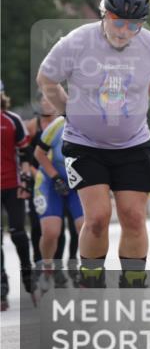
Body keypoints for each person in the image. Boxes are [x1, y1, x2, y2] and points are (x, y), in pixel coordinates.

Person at [36, 0, 150, 289]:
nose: (124, 30)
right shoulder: (77, 42)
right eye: (117, 21)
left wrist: (136, 108)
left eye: (133, 25)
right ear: (104, 15)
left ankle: (134, 284)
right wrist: (68, 110)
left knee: (134, 218)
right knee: (96, 218)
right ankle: (92, 281)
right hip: (85, 144)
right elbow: (46, 78)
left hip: (134, 143)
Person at [31, 108, 85, 300]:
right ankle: (47, 268)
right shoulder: (57, 126)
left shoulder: (93, 127)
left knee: (85, 227)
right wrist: (55, 178)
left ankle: (87, 271)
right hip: (49, 180)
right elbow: (39, 154)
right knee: (52, 232)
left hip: (76, 183)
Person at [1, 81, 32, 310]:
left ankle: (29, 279)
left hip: (13, 185)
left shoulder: (12, 120)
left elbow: (26, 154)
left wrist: (26, 182)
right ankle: (2, 289)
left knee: (18, 233)